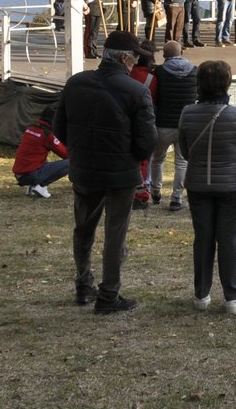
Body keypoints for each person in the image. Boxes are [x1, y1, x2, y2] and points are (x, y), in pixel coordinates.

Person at [53, 29, 158, 314]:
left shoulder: (75, 84)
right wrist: (132, 158)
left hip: (84, 169)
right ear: (125, 58)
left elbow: (59, 129)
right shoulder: (137, 92)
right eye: (135, 59)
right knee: (115, 235)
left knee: (83, 229)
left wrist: (80, 151)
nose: (136, 64)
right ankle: (109, 294)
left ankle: (83, 284)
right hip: (120, 174)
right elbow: (147, 141)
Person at [178, 60, 236, 313]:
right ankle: (232, 296)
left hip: (199, 183)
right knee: (229, 238)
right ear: (227, 83)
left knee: (203, 238)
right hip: (233, 183)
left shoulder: (187, 113)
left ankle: (201, 294)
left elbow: (185, 149)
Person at [147, 40, 198, 212]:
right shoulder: (194, 71)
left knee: (157, 159)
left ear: (164, 55)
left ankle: (155, 191)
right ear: (181, 52)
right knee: (182, 162)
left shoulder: (159, 72)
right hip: (185, 125)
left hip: (163, 124)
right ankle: (177, 198)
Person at [12, 105, 68, 199]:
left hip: (19, 175)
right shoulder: (47, 134)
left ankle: (33, 186)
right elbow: (66, 154)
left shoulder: (30, 129)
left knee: (43, 164)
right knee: (72, 162)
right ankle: (40, 186)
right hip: (31, 174)